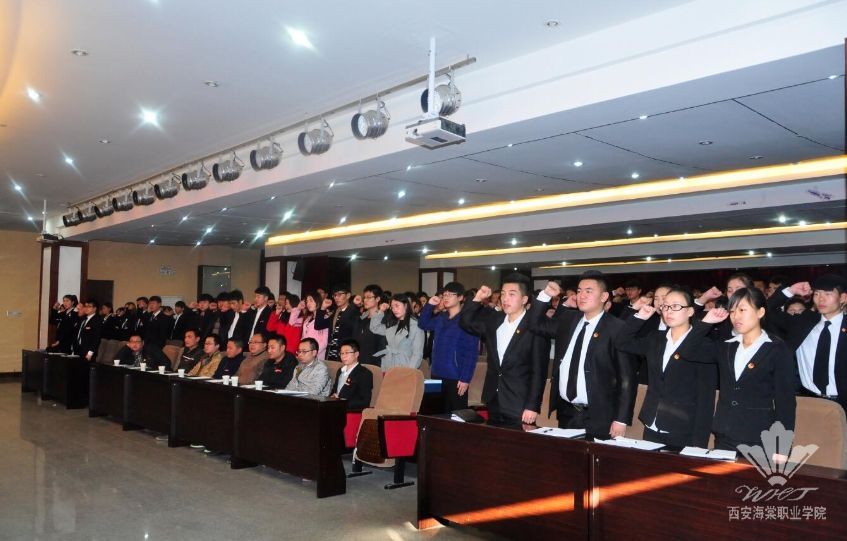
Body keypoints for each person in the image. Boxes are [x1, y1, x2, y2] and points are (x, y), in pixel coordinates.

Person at [528, 274, 636, 438]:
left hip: (600, 415)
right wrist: (545, 295)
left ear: (604, 297)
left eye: (588, 291)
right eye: (579, 291)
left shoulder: (617, 328)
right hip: (567, 411)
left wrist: (621, 419)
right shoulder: (568, 318)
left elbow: (627, 378)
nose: (582, 295)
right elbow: (535, 324)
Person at [615, 288, 717, 447]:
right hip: (651, 423)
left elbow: (706, 399)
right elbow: (621, 342)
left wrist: (698, 444)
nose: (669, 311)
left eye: (676, 306)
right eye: (665, 306)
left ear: (690, 311)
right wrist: (640, 317)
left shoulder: (703, 346)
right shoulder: (655, 338)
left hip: (683, 430)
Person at [697, 288, 796, 451]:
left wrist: (782, 446)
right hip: (725, 435)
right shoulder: (726, 346)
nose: (736, 316)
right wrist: (706, 323)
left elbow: (785, 401)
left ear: (760, 312)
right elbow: (687, 349)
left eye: (742, 310)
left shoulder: (777, 348)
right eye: (732, 311)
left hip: (759, 438)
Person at [459, 273, 548, 426]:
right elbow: (466, 322)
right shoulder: (495, 320)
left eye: (512, 294)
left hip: (519, 402)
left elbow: (538, 371)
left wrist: (532, 406)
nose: (505, 299)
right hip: (493, 397)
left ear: (524, 299)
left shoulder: (535, 326)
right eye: (503, 294)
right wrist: (477, 298)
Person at [766, 275, 846, 412]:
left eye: (828, 294)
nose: (821, 299)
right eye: (817, 293)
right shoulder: (804, 322)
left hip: (842, 403)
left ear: (843, 298)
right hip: (807, 400)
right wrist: (791, 291)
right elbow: (765, 311)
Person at [418, 282, 479, 412]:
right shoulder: (441, 317)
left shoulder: (466, 320)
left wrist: (465, 378)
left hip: (456, 376)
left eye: (450, 295)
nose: (446, 297)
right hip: (436, 372)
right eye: (444, 295)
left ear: (460, 297)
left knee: (457, 415)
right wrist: (429, 305)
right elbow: (423, 324)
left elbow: (471, 352)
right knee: (435, 413)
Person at [369, 293, 425, 370]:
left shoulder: (416, 326)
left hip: (405, 366)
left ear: (406, 305)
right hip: (389, 364)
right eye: (392, 307)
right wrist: (381, 311)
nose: (394, 309)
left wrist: (409, 372)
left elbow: (417, 354)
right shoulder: (392, 324)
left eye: (397, 306)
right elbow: (374, 328)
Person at [315, 284, 359, 361]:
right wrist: (323, 308)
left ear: (348, 295)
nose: (336, 298)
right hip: (331, 354)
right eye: (334, 295)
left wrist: (353, 305)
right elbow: (318, 325)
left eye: (339, 295)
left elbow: (354, 334)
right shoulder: (335, 313)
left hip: (345, 355)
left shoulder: (354, 313)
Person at [330, 339, 373, 409]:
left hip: (350, 410)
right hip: (335, 407)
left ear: (356, 354)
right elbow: (334, 391)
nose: (343, 356)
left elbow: (365, 402)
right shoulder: (340, 371)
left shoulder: (364, 373)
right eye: (341, 353)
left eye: (347, 353)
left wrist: (341, 402)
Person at [354, 284, 387, 366]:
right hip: (359, 361)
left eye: (369, 297)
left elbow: (382, 346)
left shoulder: (383, 319)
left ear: (378, 299)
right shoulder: (361, 318)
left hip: (374, 364)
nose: (365, 300)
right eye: (364, 297)